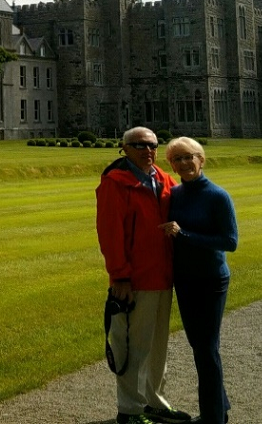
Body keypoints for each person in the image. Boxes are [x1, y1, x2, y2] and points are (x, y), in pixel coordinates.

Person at [96, 127, 192, 424]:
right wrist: (120, 276)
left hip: (163, 275)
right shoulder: (116, 183)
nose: (148, 150)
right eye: (139, 145)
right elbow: (111, 235)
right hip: (136, 279)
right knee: (135, 347)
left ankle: (154, 401)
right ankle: (130, 410)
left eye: (152, 145)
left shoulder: (161, 179)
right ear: (124, 148)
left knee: (157, 346)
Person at [161, 137, 238, 424]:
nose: (184, 163)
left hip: (210, 280)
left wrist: (184, 235)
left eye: (188, 157)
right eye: (177, 159)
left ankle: (213, 418)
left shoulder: (218, 196)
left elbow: (230, 242)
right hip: (185, 280)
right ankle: (220, 407)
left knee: (207, 350)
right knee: (201, 348)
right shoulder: (177, 194)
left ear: (201, 159)